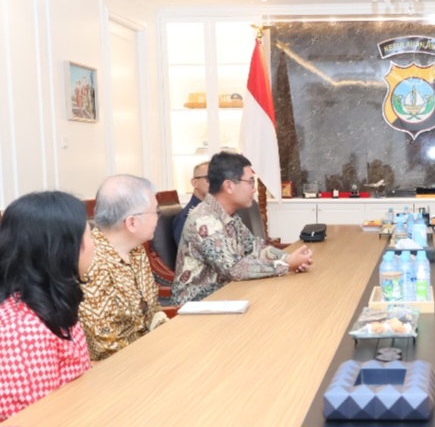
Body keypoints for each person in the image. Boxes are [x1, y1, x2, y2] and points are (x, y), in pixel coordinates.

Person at [171, 152, 314, 305]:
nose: (254, 189)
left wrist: (288, 258)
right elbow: (234, 269)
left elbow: (256, 248)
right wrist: (286, 265)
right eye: (250, 182)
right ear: (229, 186)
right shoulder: (204, 220)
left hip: (227, 297)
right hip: (197, 307)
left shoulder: (230, 215)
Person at [0, 192, 93, 420]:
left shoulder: (45, 300)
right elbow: (37, 419)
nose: (94, 245)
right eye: (89, 234)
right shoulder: (23, 331)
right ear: (65, 249)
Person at [78, 175, 167, 361]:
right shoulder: (91, 261)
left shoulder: (136, 250)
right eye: (155, 212)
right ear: (132, 222)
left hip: (149, 353)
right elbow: (104, 347)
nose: (158, 218)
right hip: (119, 366)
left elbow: (151, 310)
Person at [172, 161, 209, 247]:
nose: (216, 184)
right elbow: (188, 252)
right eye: (209, 179)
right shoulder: (187, 219)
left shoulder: (219, 212)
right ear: (195, 183)